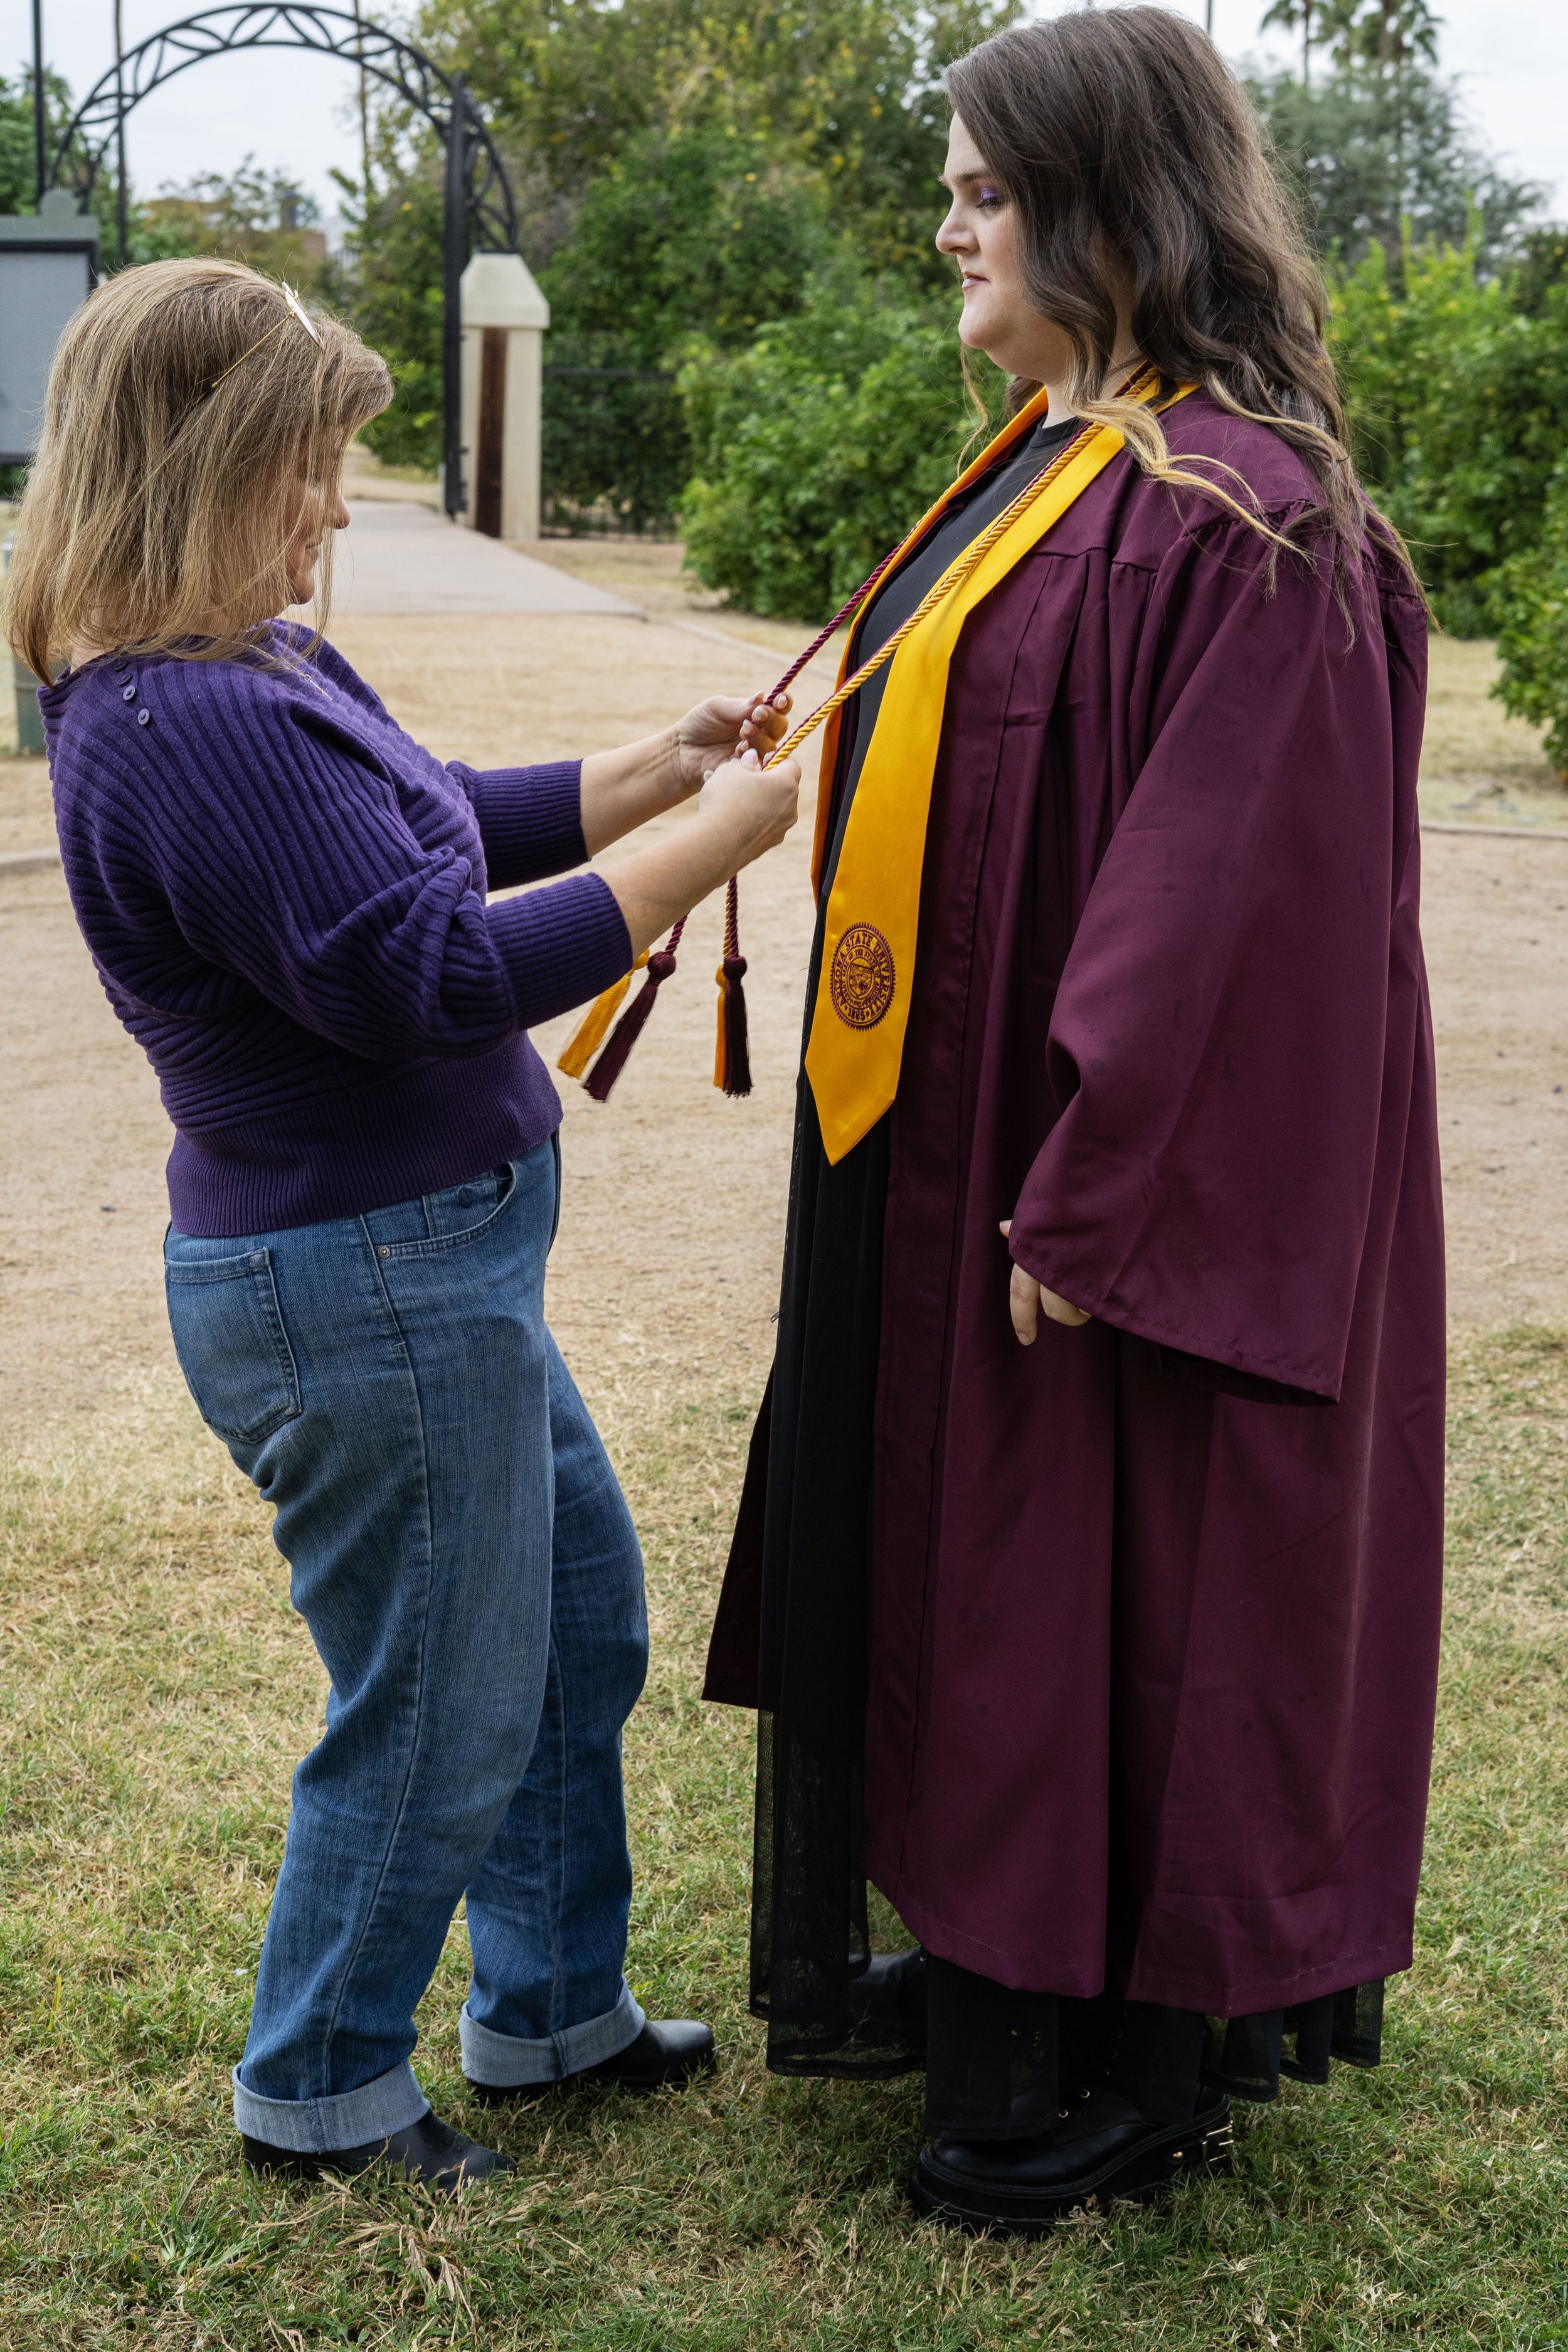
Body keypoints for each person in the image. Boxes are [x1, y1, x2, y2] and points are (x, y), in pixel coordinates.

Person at [704, 6, 1444, 2235]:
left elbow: (1238, 909)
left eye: (979, 184)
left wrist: (1099, 1185)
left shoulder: (1254, 524)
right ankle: (992, 1984)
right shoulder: (1060, 470)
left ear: (1108, 208)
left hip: (1078, 1209)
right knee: (982, 1587)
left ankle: (1107, 2056)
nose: (945, 218)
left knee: (1112, 1596)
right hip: (935, 1162)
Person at [4, 258, 800, 2190]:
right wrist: (723, 838)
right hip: (358, 1287)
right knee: (438, 1703)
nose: (337, 509)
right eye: (309, 469)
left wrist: (657, 763)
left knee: (571, 1629)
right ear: (201, 468)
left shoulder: (259, 665)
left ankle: (547, 2014)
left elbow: (431, 818)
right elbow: (421, 972)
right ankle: (325, 2091)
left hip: (425, 1269)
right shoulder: (177, 721)